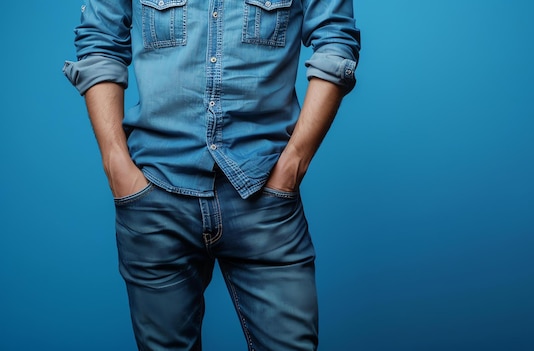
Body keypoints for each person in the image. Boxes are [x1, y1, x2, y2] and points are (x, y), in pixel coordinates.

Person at [63, 0, 360, 350]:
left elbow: (336, 41)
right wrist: (116, 165)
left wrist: (292, 166)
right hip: (155, 197)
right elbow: (100, 41)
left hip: (264, 195)